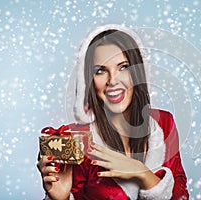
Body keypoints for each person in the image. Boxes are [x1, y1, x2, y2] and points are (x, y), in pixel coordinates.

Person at [37, 24, 189, 200]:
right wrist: (60, 198)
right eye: (100, 71)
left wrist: (142, 174)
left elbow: (181, 194)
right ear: (89, 80)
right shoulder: (77, 140)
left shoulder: (164, 122)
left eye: (123, 67)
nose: (113, 81)